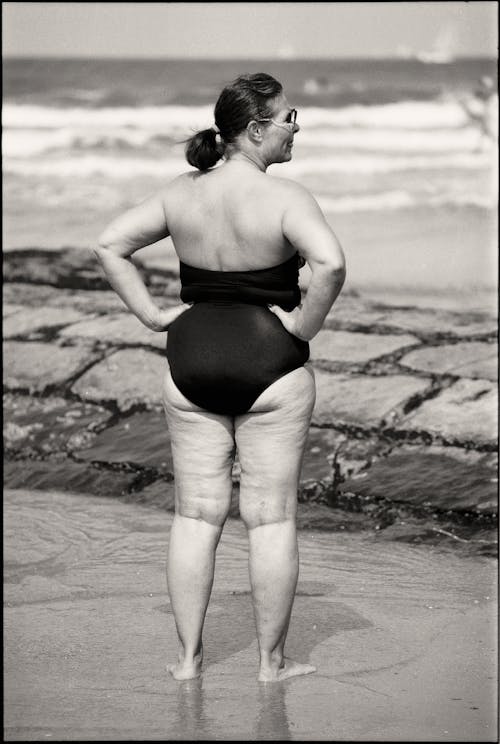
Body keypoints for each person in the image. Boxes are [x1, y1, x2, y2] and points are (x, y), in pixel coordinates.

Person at [93, 73, 346, 682]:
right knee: (271, 518)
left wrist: (155, 316)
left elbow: (108, 245)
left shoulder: (183, 193)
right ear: (256, 129)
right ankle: (270, 665)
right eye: (289, 117)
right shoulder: (286, 197)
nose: (296, 127)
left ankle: (187, 662)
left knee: (196, 516)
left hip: (191, 365)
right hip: (271, 365)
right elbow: (331, 263)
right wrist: (304, 326)